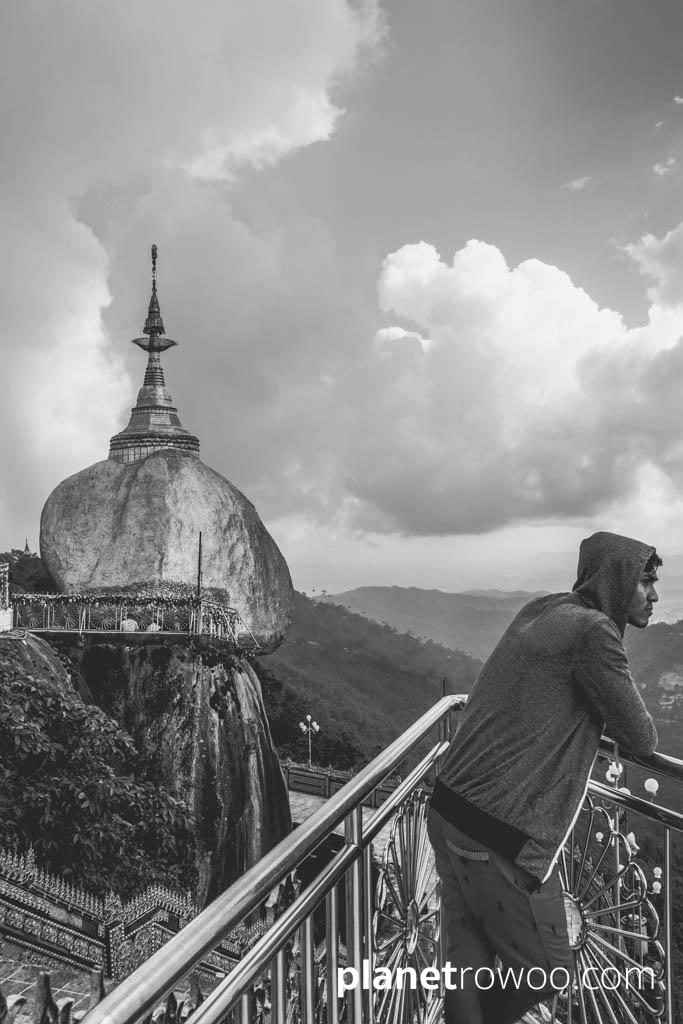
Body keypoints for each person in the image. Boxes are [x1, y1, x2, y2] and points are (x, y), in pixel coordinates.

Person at [428, 531, 659, 1023]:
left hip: (447, 808)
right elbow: (642, 738)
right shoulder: (594, 633)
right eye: (645, 582)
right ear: (617, 581)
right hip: (498, 833)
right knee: (548, 969)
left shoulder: (545, 607)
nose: (655, 595)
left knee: (465, 963)